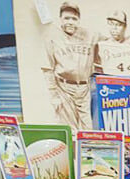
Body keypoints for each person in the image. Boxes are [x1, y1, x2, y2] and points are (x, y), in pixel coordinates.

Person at [42, 1, 96, 131]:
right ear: (60, 19)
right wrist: (54, 96)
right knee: (69, 130)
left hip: (85, 89)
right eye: (66, 18)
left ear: (78, 20)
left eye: (74, 19)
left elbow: (110, 45)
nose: (70, 22)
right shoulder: (52, 36)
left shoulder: (90, 35)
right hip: (64, 88)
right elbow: (47, 69)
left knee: (89, 129)